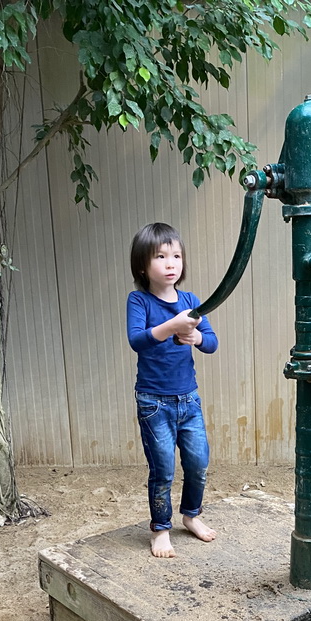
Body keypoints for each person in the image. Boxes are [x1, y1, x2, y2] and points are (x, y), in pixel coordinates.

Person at [127, 222, 218, 558]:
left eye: (176, 255)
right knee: (163, 467)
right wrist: (171, 327)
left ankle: (191, 515)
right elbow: (137, 340)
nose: (170, 263)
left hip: (188, 399)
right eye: (160, 256)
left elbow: (211, 342)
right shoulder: (139, 300)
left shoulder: (191, 300)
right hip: (153, 402)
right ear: (142, 266)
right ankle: (161, 529)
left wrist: (195, 336)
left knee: (198, 462)